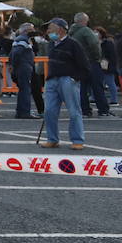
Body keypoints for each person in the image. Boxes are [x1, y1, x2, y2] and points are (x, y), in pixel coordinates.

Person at [42, 17, 91, 150]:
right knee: (49, 110)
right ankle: (52, 139)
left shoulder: (73, 44)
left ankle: (77, 140)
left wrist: (74, 78)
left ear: (61, 29)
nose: (48, 31)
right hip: (52, 80)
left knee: (74, 110)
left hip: (67, 79)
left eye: (51, 28)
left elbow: (84, 65)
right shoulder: (52, 44)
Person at [68, 13, 110, 117]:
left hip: (77, 64)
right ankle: (103, 110)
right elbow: (94, 44)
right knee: (97, 87)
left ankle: (85, 110)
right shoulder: (85, 30)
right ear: (85, 21)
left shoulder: (70, 33)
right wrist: (97, 58)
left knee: (81, 89)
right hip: (91, 62)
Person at [10, 24, 39, 119]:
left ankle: (21, 111)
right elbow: (16, 53)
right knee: (25, 89)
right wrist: (16, 64)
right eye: (32, 29)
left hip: (21, 66)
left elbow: (13, 53)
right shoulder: (23, 40)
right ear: (27, 31)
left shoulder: (19, 39)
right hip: (24, 67)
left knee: (23, 89)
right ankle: (25, 111)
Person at [97, 27, 119, 107]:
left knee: (110, 83)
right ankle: (95, 98)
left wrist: (111, 65)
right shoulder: (96, 42)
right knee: (98, 83)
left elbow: (112, 55)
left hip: (107, 65)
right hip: (99, 65)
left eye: (97, 33)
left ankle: (114, 100)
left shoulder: (108, 43)